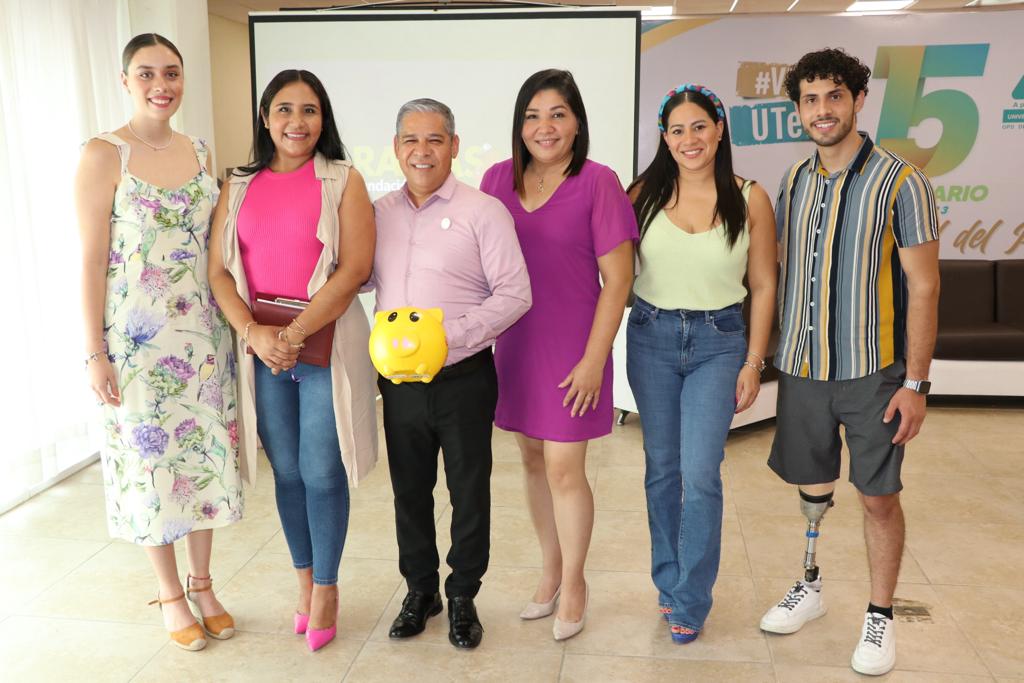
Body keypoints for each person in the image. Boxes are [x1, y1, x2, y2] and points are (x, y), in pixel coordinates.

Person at [758, 48, 939, 676]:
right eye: (809, 99)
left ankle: (880, 614)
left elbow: (924, 287)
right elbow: (778, 272)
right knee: (813, 488)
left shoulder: (902, 183)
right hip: (802, 369)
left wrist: (916, 383)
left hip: (873, 374)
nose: (822, 110)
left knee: (877, 498)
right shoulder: (794, 180)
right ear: (797, 109)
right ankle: (810, 585)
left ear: (858, 99)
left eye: (834, 95)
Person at [76, 33, 241, 652]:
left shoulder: (198, 149)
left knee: (200, 457)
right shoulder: (104, 154)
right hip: (136, 343)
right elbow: (91, 260)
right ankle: (170, 593)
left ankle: (203, 584)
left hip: (202, 335)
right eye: (146, 74)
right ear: (126, 81)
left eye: (170, 73)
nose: (160, 85)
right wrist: (95, 352)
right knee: (151, 466)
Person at [208, 69, 378, 652]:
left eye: (309, 110)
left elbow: (354, 269)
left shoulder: (343, 179)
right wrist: (255, 334)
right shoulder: (238, 184)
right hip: (263, 351)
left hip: (325, 345)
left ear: (322, 119)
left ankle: (327, 587)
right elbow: (218, 271)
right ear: (265, 117)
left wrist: (296, 332)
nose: (296, 122)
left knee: (322, 469)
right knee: (287, 471)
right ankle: (303, 581)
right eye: (284, 109)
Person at [480, 69, 637, 641]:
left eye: (557, 114)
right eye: (532, 116)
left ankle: (574, 583)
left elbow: (618, 281)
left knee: (565, 468)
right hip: (515, 343)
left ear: (576, 123)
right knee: (529, 460)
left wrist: (595, 361)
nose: (544, 127)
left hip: (575, 345)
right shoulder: (496, 180)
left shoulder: (598, 182)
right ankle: (549, 571)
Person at [371, 98, 531, 650]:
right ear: (396, 149)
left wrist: (448, 338)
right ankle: (421, 590)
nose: (423, 151)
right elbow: (356, 277)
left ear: (454, 146)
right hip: (398, 385)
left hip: (463, 377)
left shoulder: (483, 211)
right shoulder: (377, 214)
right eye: (411, 140)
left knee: (469, 491)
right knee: (409, 492)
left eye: (435, 139)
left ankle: (463, 593)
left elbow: (516, 293)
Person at [625, 83, 777, 644]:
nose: (688, 139)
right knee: (661, 469)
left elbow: (764, 285)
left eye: (699, 126)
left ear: (719, 129)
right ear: (664, 137)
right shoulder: (640, 193)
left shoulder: (750, 197)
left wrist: (754, 361)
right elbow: (612, 274)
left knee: (700, 472)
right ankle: (668, 582)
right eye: (677, 129)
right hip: (651, 338)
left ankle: (691, 597)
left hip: (720, 342)